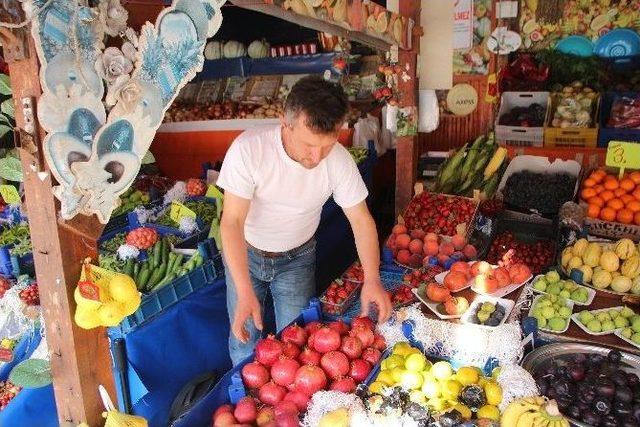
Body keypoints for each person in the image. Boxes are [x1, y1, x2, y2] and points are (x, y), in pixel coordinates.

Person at [217, 76, 392, 365]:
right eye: (309, 144)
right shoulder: (248, 150)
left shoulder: (338, 160)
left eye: (327, 145)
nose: (317, 156)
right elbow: (232, 221)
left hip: (297, 258)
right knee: (243, 344)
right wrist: (244, 290)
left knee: (297, 345)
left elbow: (361, 221)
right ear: (285, 123)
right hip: (245, 254)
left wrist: (372, 279)